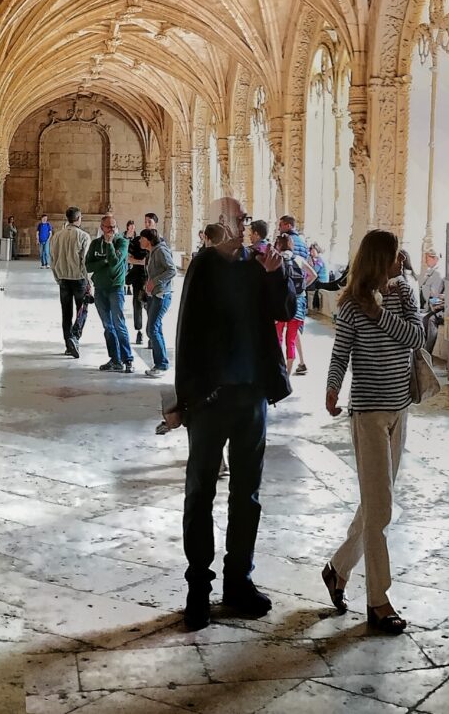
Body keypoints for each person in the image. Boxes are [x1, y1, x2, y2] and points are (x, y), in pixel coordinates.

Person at [167, 203, 293, 630]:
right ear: (222, 225)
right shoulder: (203, 267)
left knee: (247, 494)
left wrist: (277, 273)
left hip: (251, 396)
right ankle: (198, 589)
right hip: (209, 400)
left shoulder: (259, 265)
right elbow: (185, 335)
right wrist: (183, 402)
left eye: (244, 220)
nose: (245, 226)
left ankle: (238, 581)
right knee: (200, 492)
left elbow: (287, 312)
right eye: (238, 220)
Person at [320, 229, 432, 636]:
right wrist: (332, 388)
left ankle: (337, 570)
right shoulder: (349, 305)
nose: (401, 259)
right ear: (378, 259)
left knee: (374, 504)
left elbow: (417, 337)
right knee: (380, 508)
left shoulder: (404, 292)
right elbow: (341, 353)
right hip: (367, 414)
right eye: (394, 254)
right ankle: (378, 601)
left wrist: (380, 313)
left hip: (400, 409)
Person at [88, 213, 135, 371]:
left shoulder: (121, 242)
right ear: (102, 228)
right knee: (108, 326)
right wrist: (105, 261)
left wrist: (109, 246)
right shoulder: (95, 244)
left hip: (115, 288)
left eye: (114, 227)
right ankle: (115, 360)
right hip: (100, 289)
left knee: (119, 323)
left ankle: (127, 359)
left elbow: (115, 264)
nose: (112, 230)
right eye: (108, 227)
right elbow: (88, 266)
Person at [50, 207, 93, 357]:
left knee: (66, 313)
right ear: (79, 218)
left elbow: (52, 259)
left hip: (63, 279)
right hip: (79, 279)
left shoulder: (57, 236)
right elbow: (85, 262)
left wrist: (57, 277)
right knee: (83, 309)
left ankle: (68, 345)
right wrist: (89, 282)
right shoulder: (84, 236)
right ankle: (75, 337)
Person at [138, 228, 179, 374]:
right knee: (155, 328)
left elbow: (172, 270)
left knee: (152, 329)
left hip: (162, 295)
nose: (139, 241)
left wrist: (155, 282)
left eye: (141, 238)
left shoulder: (161, 251)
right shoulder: (152, 252)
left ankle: (161, 364)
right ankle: (160, 363)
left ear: (148, 240)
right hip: (154, 294)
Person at [275, 234, 311, 377]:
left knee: (278, 338)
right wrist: (302, 288)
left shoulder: (277, 260)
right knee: (291, 340)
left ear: (278, 245)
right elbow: (313, 274)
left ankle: (278, 372)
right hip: (297, 303)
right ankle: (288, 376)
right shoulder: (299, 259)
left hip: (280, 304)